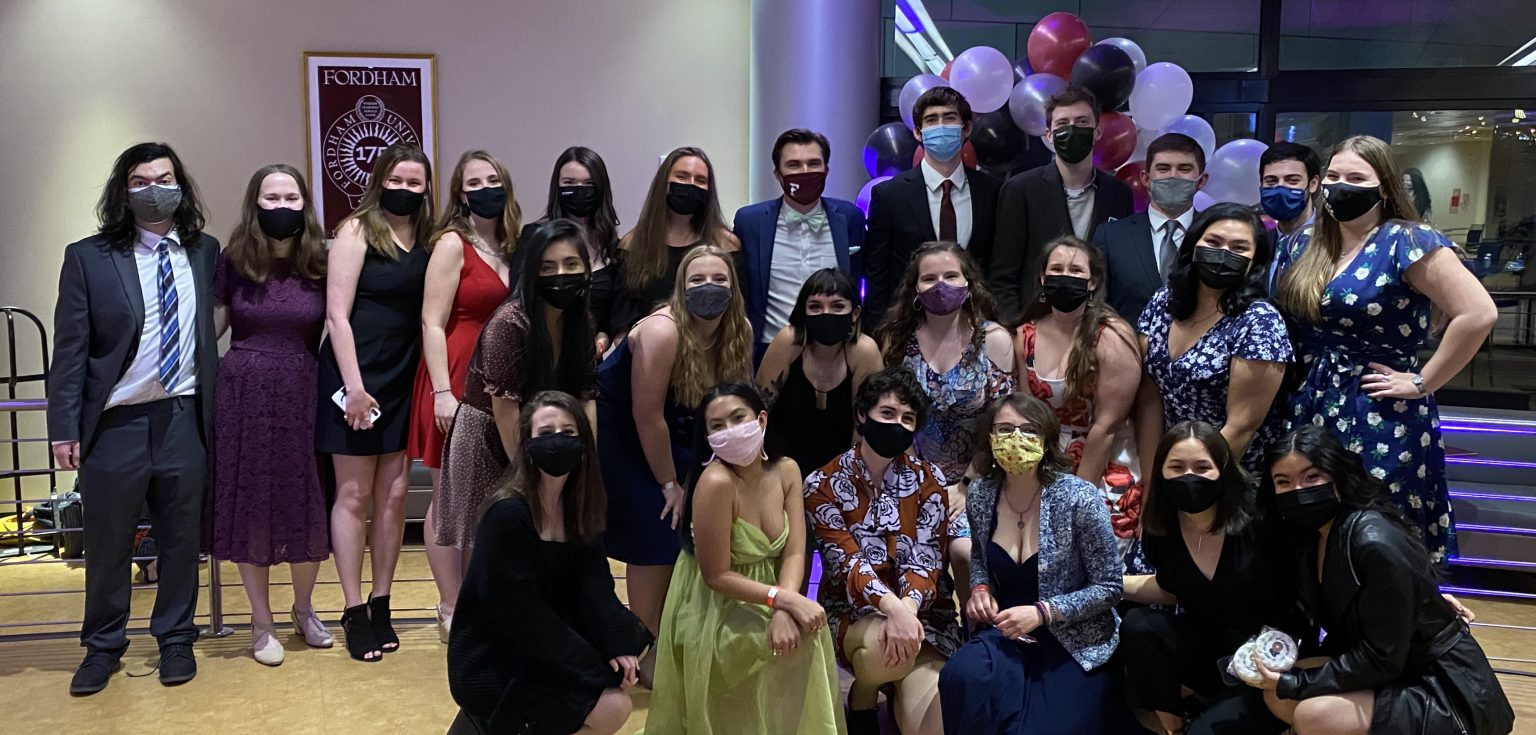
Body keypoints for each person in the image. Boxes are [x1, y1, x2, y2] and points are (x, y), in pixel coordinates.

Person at [1273, 135, 1497, 561]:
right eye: (1334, 176)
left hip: (1378, 407)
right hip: (1311, 404)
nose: (1342, 186)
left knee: (1380, 530)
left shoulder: (1406, 240)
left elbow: (1478, 313)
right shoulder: (1304, 244)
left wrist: (1422, 381)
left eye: (1356, 177)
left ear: (1385, 188)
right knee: (1311, 527)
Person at [49, 142, 217, 693]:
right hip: (115, 424)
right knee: (109, 544)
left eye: (164, 178)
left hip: (183, 418)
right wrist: (63, 429)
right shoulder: (88, 257)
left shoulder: (204, 251)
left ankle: (175, 640)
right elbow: (70, 351)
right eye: (141, 181)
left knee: (179, 541)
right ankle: (102, 646)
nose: (154, 189)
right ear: (124, 192)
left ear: (180, 186)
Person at [1252, 425, 1513, 735]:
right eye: (1284, 482)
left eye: (1312, 477)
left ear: (1338, 475)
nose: (1299, 490)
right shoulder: (1310, 536)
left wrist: (1296, 683)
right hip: (1392, 669)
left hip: (1443, 689)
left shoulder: (1373, 540)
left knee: (1314, 713)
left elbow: (1382, 658)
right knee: (1278, 694)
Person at [446, 391, 648, 735]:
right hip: (496, 656)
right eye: (546, 433)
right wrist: (594, 666)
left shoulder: (580, 508)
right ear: (526, 445)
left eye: (569, 433)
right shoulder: (508, 514)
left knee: (634, 655)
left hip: (543, 648)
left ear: (584, 444)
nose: (558, 441)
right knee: (613, 707)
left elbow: (596, 587)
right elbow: (522, 616)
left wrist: (619, 645)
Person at [647, 382, 844, 734]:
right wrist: (782, 600)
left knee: (810, 629)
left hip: (773, 591)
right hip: (716, 601)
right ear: (707, 438)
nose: (730, 431)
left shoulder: (787, 470)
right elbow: (716, 575)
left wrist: (785, 607)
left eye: (738, 418)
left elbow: (795, 549)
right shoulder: (716, 482)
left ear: (762, 419)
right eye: (717, 426)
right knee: (756, 642)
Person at [597, 244, 754, 680]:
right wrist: (670, 484)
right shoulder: (663, 331)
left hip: (679, 427)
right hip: (628, 434)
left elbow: (727, 403)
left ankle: (681, 636)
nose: (709, 288)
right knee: (659, 524)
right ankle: (644, 645)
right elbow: (646, 416)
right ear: (680, 289)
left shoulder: (738, 327)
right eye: (697, 280)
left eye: (719, 279)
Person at [938, 392, 1123, 735]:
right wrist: (979, 587)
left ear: (1047, 441)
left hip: (1074, 639)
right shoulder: (980, 495)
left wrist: (1042, 612)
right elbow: (980, 557)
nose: (1016, 439)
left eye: (1029, 430)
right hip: (1007, 630)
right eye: (1005, 429)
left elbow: (1110, 588)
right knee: (960, 679)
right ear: (990, 440)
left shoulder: (1079, 498)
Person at [314, 142, 434, 662]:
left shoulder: (429, 239)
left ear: (426, 188)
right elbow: (337, 315)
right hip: (354, 377)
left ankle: (382, 602)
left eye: (414, 183)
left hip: (403, 378)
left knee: (393, 498)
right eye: (397, 180)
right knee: (354, 496)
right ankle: (352, 608)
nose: (404, 189)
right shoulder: (357, 230)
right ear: (379, 180)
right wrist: (355, 387)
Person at [208, 164, 333, 666]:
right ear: (255, 203)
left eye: (291, 197)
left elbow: (343, 322)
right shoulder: (233, 259)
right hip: (244, 393)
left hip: (305, 389)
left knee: (307, 500)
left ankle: (303, 610)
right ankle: (261, 622)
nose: (282, 206)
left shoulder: (322, 262)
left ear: (305, 204)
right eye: (272, 197)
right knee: (252, 504)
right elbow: (212, 328)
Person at [806, 366, 964, 735]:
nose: (897, 424)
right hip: (855, 616)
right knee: (880, 651)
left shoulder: (931, 480)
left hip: (922, 620)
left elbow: (927, 560)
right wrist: (893, 610)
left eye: (908, 418)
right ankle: (863, 695)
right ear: (863, 415)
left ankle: (883, 691)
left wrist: (907, 611)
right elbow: (847, 564)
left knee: (929, 729)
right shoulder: (821, 483)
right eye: (887, 414)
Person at [438, 219, 598, 580]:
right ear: (532, 272)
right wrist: (527, 475)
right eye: (548, 267)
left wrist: (586, 459)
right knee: (491, 541)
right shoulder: (509, 323)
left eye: (572, 265)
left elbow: (586, 395)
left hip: (546, 433)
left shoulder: (582, 322)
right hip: (490, 436)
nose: (561, 274)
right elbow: (505, 410)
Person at [1119, 421, 1299, 735]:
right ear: (1161, 472)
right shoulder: (1161, 527)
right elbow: (1172, 588)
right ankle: (1173, 726)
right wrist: (1107, 585)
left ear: (1224, 469)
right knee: (1139, 625)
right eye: (1176, 467)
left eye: (1202, 467)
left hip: (1268, 657)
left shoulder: (1261, 512)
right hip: (1209, 650)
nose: (1189, 476)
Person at [410, 150, 517, 643]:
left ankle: (480, 597)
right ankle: (450, 602)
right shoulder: (453, 244)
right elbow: (432, 321)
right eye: (474, 182)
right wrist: (441, 393)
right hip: (454, 376)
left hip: (503, 380)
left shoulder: (515, 244)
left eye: (492, 178)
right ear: (460, 194)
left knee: (487, 499)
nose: (485, 187)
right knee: (448, 497)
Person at [877, 241, 1015, 605]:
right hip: (909, 474)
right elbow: (890, 419)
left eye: (951, 275)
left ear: (968, 283)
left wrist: (965, 484)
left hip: (979, 475)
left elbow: (1001, 424)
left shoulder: (995, 340)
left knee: (965, 552)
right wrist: (921, 484)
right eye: (929, 278)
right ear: (915, 290)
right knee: (896, 554)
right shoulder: (895, 341)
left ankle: (978, 634)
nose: (941, 285)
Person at [1012, 236, 1145, 571]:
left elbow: (1108, 425)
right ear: (1042, 279)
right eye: (1056, 269)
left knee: (1091, 536)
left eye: (1075, 270)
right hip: (1048, 452)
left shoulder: (1112, 335)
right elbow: (1030, 416)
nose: (1065, 276)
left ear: (1093, 282)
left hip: (1105, 455)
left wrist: (1077, 496)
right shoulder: (1023, 334)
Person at [1135, 203, 1291, 475]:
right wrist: (1154, 482)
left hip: (1229, 475)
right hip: (1168, 465)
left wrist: (1193, 486)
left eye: (1239, 248)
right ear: (1193, 245)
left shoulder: (1260, 321)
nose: (1223, 253)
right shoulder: (1165, 300)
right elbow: (1149, 397)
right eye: (1214, 241)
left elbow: (1241, 427)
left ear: (1255, 262)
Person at [991, 86, 1134, 318]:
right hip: (1036, 326)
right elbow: (1003, 276)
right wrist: (1014, 332)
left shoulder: (1119, 194)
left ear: (1097, 131)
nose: (1072, 129)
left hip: (1097, 327)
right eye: (1062, 123)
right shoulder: (1020, 190)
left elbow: (1121, 272)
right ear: (1049, 134)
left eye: (1081, 122)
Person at [865, 87, 1002, 326]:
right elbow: (877, 276)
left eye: (949, 118)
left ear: (966, 128)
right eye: (931, 120)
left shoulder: (993, 192)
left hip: (977, 326)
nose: (940, 126)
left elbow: (999, 269)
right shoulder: (889, 195)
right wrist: (878, 336)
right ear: (918, 133)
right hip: (907, 329)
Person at [733, 128, 866, 361]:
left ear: (826, 170)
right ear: (778, 174)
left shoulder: (850, 217)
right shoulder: (750, 222)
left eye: (814, 163)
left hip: (837, 350)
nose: (805, 172)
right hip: (768, 350)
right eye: (794, 165)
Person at [757, 268, 883, 480]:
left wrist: (848, 484)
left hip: (840, 468)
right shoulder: (788, 341)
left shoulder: (864, 351)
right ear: (803, 313)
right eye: (815, 307)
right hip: (779, 463)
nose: (826, 314)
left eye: (837, 306)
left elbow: (863, 427)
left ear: (855, 313)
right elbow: (758, 411)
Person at [609, 146, 740, 335]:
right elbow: (622, 324)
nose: (691, 184)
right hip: (648, 354)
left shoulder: (726, 245)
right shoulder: (632, 246)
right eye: (682, 177)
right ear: (664, 183)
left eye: (700, 180)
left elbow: (737, 312)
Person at [1097, 133, 1209, 322]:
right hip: (1128, 348)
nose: (1173, 176)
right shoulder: (1111, 236)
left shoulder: (1215, 236)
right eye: (1163, 169)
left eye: (1184, 169)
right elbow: (1097, 307)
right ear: (1146, 179)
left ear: (1201, 181)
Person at [521, 146, 622, 354]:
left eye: (588, 184)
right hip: (538, 356)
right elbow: (521, 302)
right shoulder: (535, 236)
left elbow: (609, 320)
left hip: (589, 362)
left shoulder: (611, 246)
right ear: (557, 187)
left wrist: (600, 343)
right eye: (569, 183)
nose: (579, 190)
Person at [1259, 142, 1321, 295]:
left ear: (1312, 184)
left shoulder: (1333, 241)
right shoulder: (1258, 245)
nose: (1281, 188)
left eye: (1292, 180)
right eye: (1271, 181)